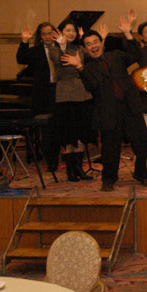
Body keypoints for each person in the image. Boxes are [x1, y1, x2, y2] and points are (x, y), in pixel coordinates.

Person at [61, 13, 147, 192]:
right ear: (85, 49)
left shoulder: (116, 55)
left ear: (101, 43)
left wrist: (128, 34)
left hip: (130, 107)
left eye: (95, 42)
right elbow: (91, 85)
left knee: (141, 143)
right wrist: (79, 67)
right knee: (110, 150)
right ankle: (109, 179)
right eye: (89, 44)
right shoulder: (87, 67)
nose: (93, 46)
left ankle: (141, 174)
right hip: (108, 112)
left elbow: (136, 55)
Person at [49, 19, 93, 182]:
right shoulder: (54, 49)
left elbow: (93, 58)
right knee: (68, 134)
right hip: (65, 95)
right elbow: (61, 63)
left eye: (73, 30)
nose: (71, 33)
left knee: (81, 132)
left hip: (82, 94)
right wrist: (62, 47)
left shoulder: (79, 49)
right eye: (67, 30)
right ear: (61, 32)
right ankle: (70, 170)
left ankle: (79, 168)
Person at [17, 22, 59, 172]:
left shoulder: (61, 47)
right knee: (46, 130)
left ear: (55, 33)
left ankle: (60, 157)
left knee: (58, 128)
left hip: (60, 92)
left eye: (50, 33)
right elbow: (21, 58)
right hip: (44, 95)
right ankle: (51, 161)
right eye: (44, 34)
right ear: (40, 36)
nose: (48, 36)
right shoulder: (36, 51)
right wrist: (24, 41)